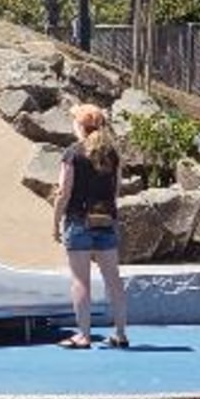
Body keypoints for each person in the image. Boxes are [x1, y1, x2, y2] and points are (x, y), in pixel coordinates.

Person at [50, 103, 131, 349]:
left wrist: (55, 223)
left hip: (78, 220)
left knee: (80, 280)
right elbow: (115, 191)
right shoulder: (112, 155)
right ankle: (121, 333)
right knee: (113, 280)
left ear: (79, 126)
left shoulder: (73, 153)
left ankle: (84, 335)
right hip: (105, 220)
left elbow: (64, 192)